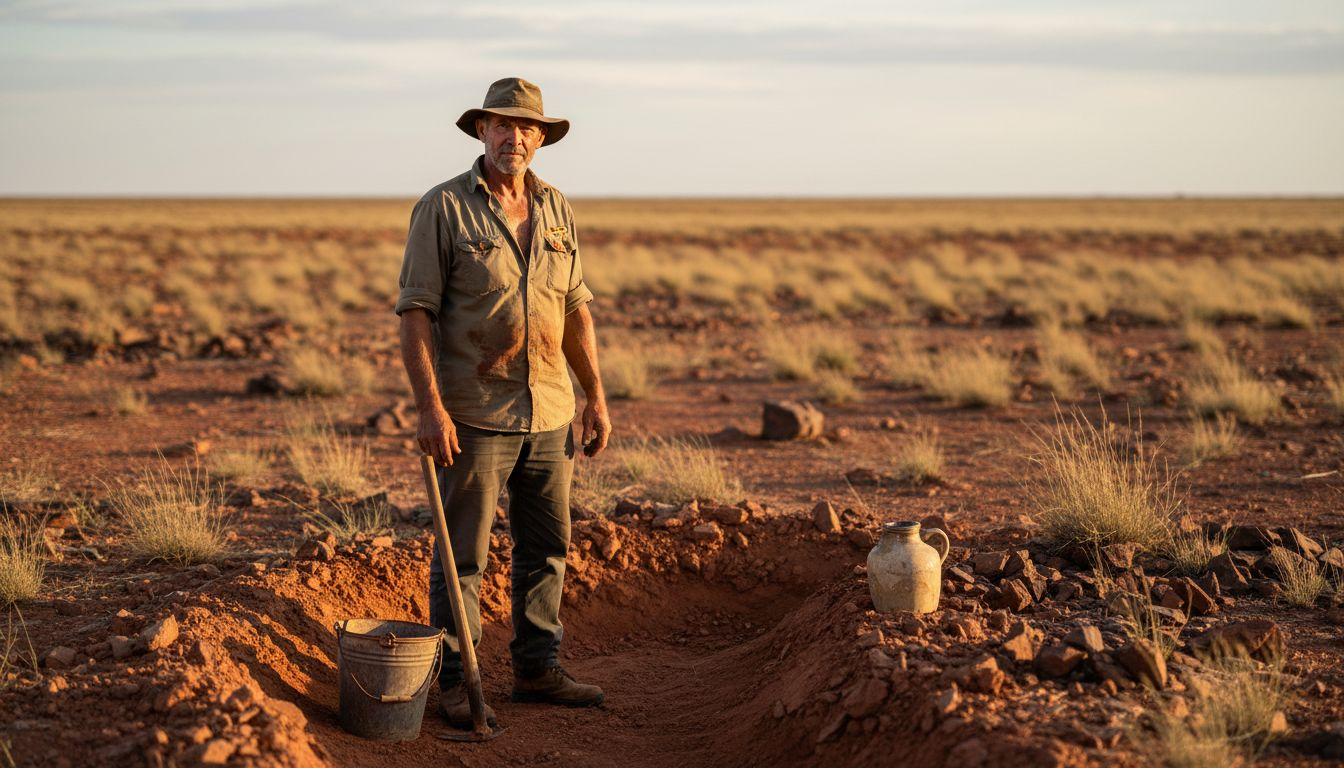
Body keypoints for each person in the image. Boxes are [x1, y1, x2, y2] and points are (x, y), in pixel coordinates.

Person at [394, 77, 610, 728]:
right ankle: (457, 683)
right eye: (502, 125)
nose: (515, 137)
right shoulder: (443, 208)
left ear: (541, 139)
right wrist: (430, 408)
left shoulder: (557, 208)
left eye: (527, 128)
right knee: (462, 556)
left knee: (546, 547)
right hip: (474, 415)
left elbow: (575, 308)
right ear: (481, 132)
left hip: (550, 410)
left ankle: (538, 669)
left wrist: (595, 395)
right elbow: (415, 313)